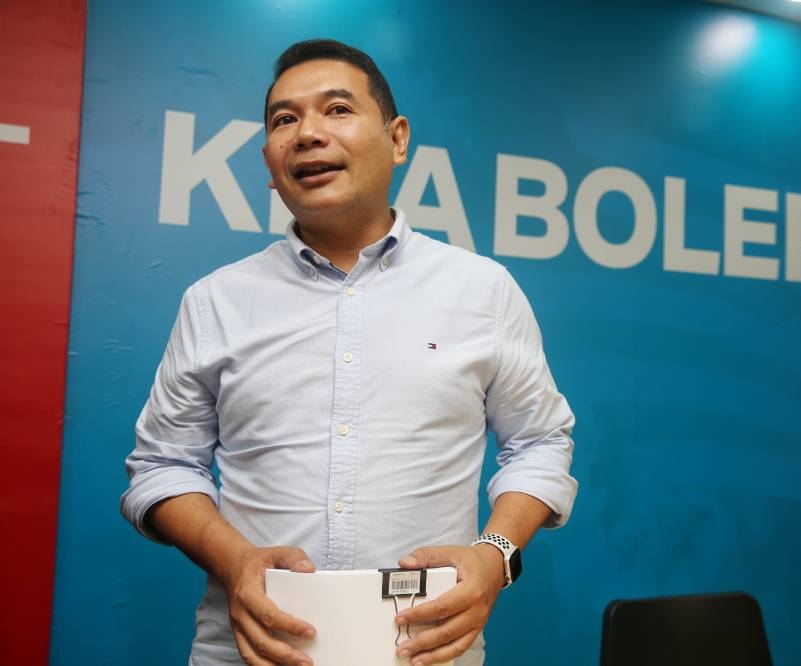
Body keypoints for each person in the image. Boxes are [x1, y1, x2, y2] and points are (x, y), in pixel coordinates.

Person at [121, 38, 577, 666]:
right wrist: (235, 559)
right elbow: (161, 467)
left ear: (397, 139)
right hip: (251, 651)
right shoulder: (215, 302)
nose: (307, 133)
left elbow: (540, 443)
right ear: (268, 159)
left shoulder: (483, 291)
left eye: (336, 109)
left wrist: (493, 555)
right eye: (285, 119)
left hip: (425, 651)